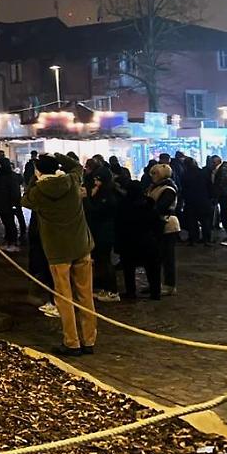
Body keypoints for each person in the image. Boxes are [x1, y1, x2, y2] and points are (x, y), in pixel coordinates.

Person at [22, 153, 98, 357]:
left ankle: (72, 342)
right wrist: (58, 157)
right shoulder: (72, 181)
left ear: (38, 171)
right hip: (81, 246)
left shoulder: (38, 192)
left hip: (57, 251)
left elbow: (25, 200)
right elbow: (77, 167)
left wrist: (33, 178)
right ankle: (89, 340)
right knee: (85, 295)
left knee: (64, 298)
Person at [117, 170, 163, 300]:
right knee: (153, 268)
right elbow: (157, 224)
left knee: (129, 269)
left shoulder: (123, 205)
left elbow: (119, 225)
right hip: (148, 241)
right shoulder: (149, 204)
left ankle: (131, 292)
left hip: (129, 242)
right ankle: (155, 292)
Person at [84, 155, 120, 303]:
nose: (95, 182)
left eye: (98, 179)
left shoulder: (108, 195)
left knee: (105, 261)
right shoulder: (100, 192)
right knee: (100, 260)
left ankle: (112, 291)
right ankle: (104, 287)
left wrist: (87, 200)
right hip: (98, 231)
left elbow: (97, 211)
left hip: (104, 232)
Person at [145, 162, 180, 296]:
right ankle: (155, 283)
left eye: (155, 174)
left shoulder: (168, 189)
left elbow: (161, 206)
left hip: (167, 224)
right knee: (156, 256)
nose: (153, 176)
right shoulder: (155, 187)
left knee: (167, 257)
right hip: (157, 224)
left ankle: (170, 285)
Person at [179, 157, 212, 245]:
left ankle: (193, 239)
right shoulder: (202, 173)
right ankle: (206, 240)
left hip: (190, 201)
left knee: (192, 222)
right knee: (205, 221)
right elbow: (209, 186)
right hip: (203, 200)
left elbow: (183, 189)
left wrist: (183, 199)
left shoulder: (185, 175)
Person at [0, 158, 25, 251]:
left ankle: (13, 241)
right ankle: (9, 240)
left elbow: (14, 191)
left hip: (9, 203)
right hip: (2, 203)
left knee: (10, 223)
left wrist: (14, 203)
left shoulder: (10, 176)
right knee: (7, 223)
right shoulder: (0, 175)